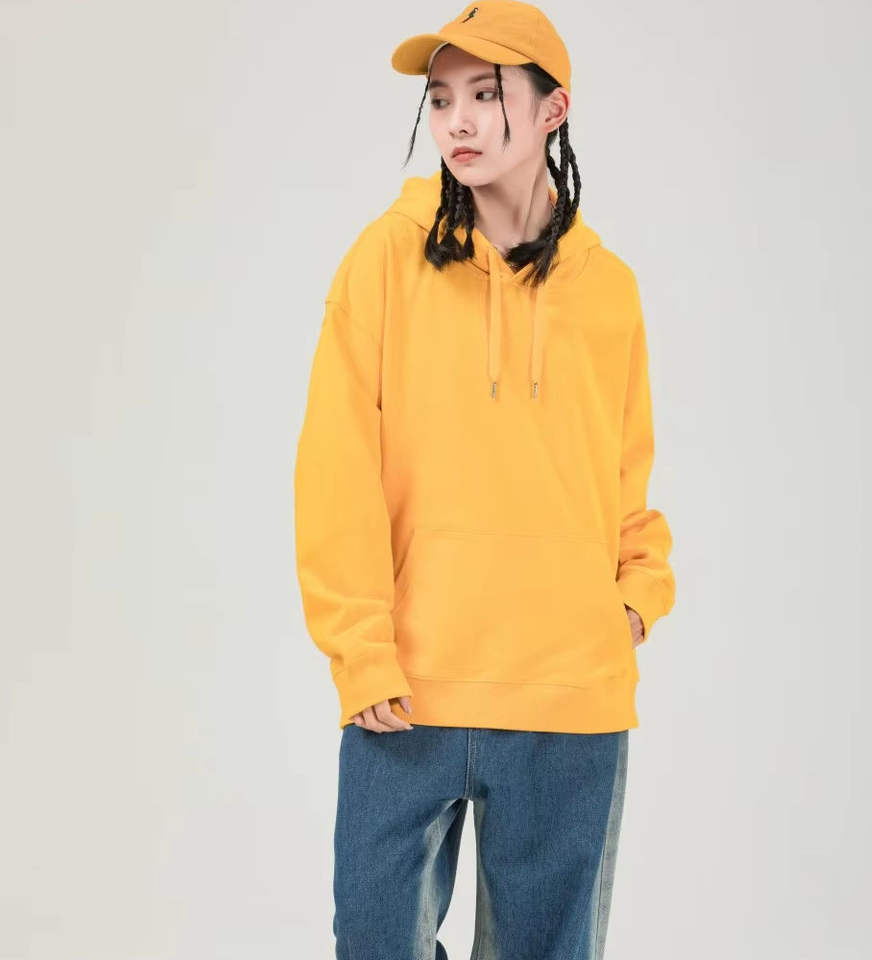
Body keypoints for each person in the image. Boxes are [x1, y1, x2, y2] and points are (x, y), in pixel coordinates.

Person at [293, 2, 676, 957]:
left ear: (553, 109)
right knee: (373, 938)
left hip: (569, 697)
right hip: (406, 690)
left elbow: (624, 474)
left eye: (484, 94)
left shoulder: (610, 291)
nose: (456, 121)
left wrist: (634, 597)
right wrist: (359, 649)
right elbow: (336, 466)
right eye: (440, 99)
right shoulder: (384, 260)